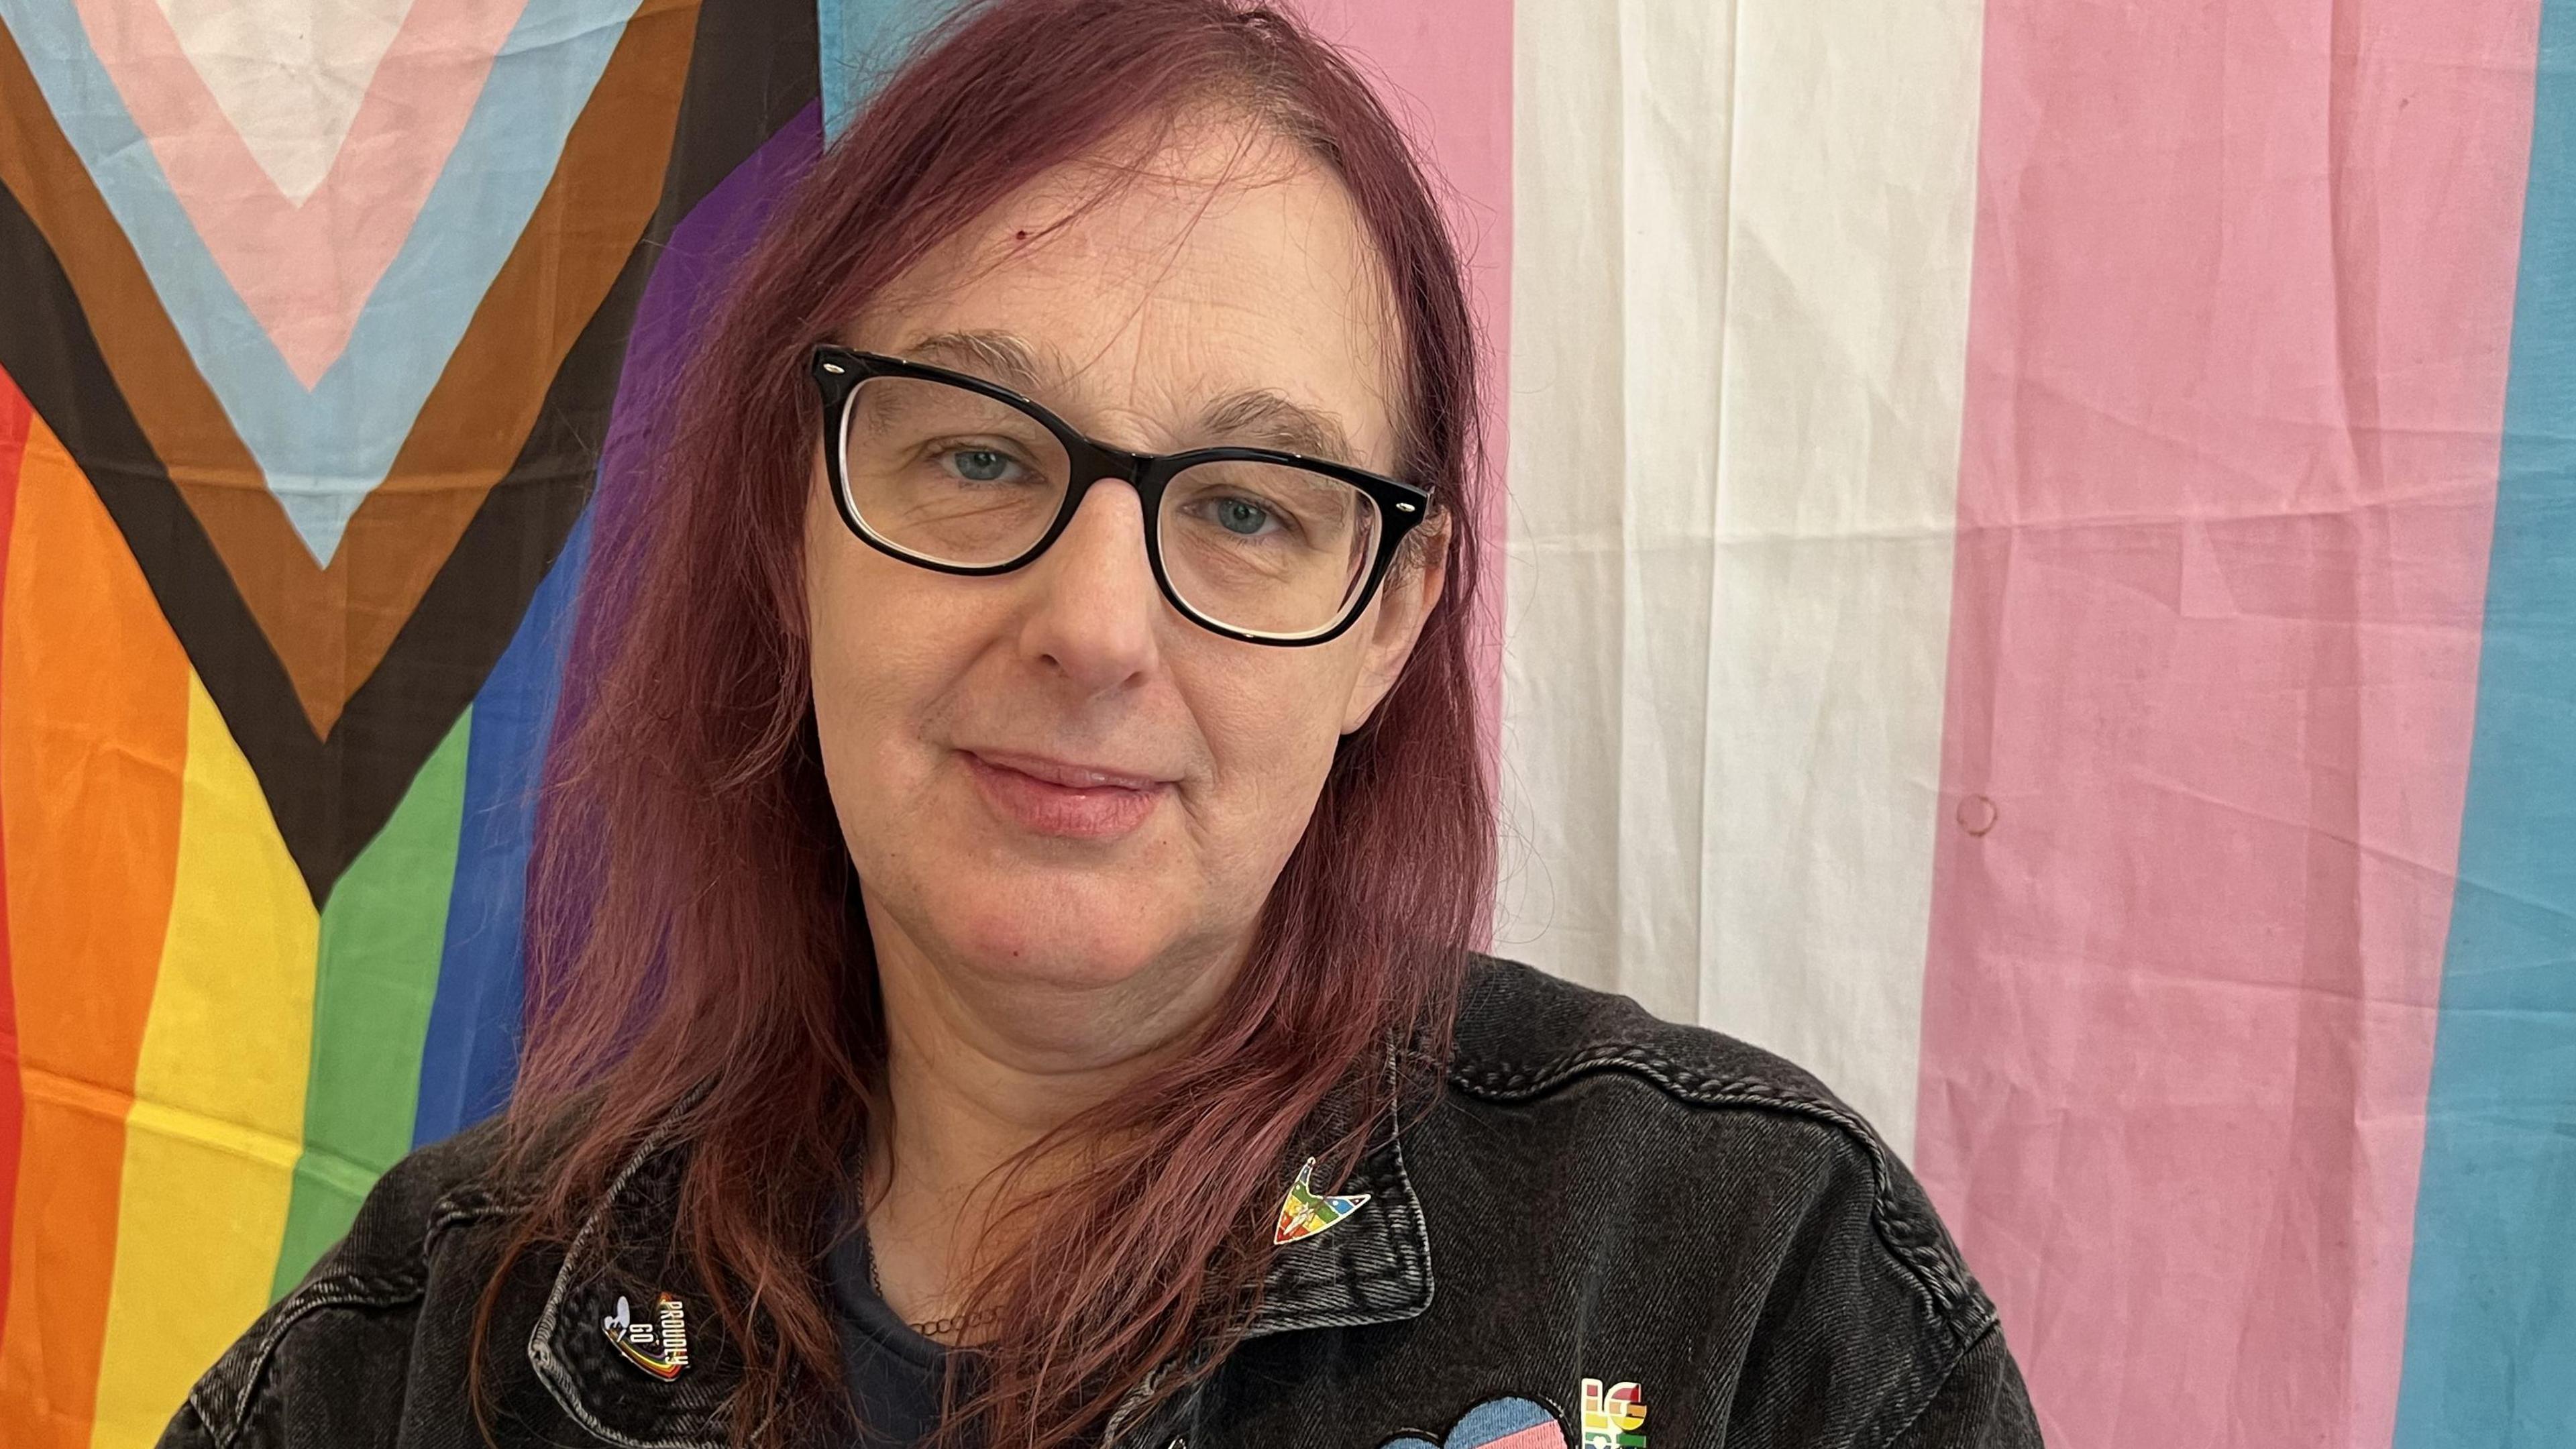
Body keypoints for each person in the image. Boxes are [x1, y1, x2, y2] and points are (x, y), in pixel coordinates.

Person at [161, 2, 2043, 1446]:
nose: (1094, 628)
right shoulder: (434, 1338)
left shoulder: (1747, 1290)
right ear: (789, 522)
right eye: (979, 455)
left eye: (1247, 504)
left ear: (1388, 622)